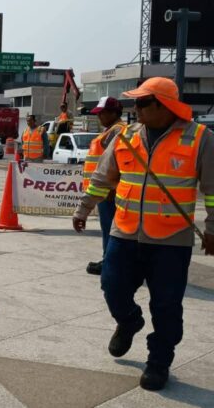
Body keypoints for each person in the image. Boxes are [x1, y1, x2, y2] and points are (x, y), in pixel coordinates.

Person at [72, 77, 214, 391]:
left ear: (164, 106)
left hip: (171, 241)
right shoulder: (125, 137)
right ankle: (129, 320)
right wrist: (83, 208)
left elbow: (213, 191)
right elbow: (102, 178)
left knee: (166, 305)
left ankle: (158, 361)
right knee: (111, 286)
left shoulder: (200, 138)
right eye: (135, 102)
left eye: (142, 102)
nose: (135, 108)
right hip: (124, 233)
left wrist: (212, 229)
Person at [83, 97, 127, 275]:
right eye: (99, 113)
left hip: (108, 192)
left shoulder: (116, 132)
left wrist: (112, 188)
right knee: (109, 228)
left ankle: (110, 263)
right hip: (104, 190)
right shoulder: (112, 131)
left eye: (103, 113)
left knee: (111, 229)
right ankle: (109, 260)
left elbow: (116, 163)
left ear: (114, 113)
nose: (100, 116)